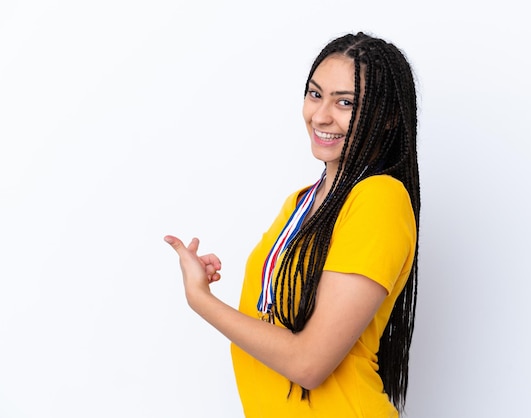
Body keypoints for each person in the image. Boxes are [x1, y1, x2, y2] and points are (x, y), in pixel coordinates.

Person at [164, 31, 420, 417]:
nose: (320, 116)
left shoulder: (379, 199)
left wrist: (202, 300)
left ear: (387, 119)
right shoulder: (300, 203)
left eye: (345, 102)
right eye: (315, 94)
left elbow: (309, 364)